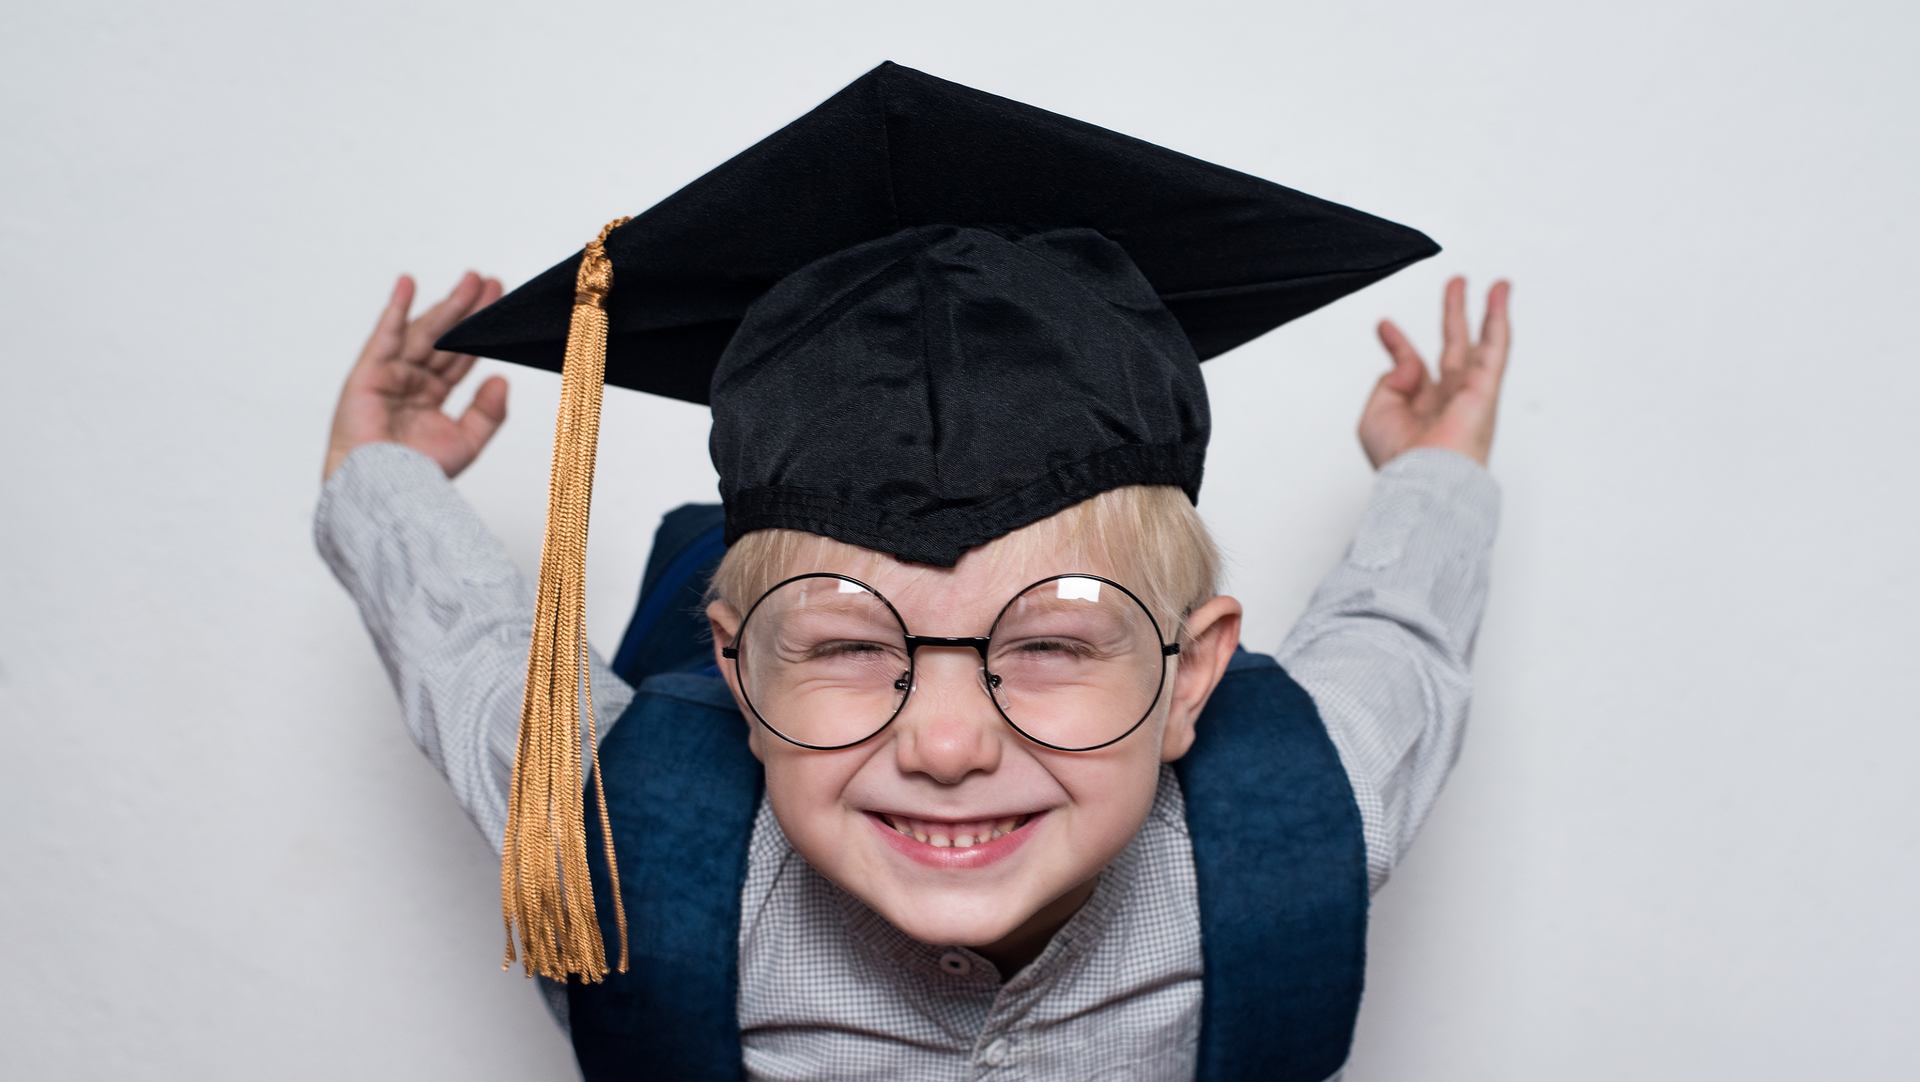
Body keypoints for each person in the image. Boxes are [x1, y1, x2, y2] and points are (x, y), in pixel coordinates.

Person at [317, 63, 1510, 1082]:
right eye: (845, 644)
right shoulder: (614, 844)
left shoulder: (1304, 819)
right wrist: (385, 473)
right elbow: (464, 646)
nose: (946, 746)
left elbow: (1399, 629)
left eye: (1050, 642)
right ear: (735, 670)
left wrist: (1435, 470)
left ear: (1193, 676)